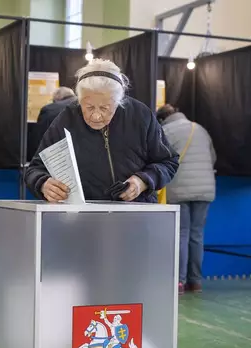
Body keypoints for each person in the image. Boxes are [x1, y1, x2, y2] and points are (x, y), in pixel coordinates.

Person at [25, 59, 179, 203]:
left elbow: (168, 162)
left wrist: (142, 181)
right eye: (89, 107)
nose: (96, 116)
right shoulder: (67, 119)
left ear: (118, 101)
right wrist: (43, 184)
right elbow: (35, 169)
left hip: (135, 215)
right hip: (84, 218)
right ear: (79, 99)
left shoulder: (141, 116)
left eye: (105, 108)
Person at [156, 104, 216, 295]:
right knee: (197, 236)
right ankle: (195, 282)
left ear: (162, 119)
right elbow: (213, 157)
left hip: (179, 188)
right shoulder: (199, 128)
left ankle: (179, 282)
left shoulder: (165, 131)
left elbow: (159, 159)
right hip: (205, 189)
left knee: (181, 233)